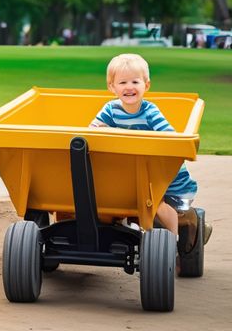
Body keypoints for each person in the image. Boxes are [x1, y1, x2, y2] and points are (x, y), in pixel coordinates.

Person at [89, 53, 211, 249]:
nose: (129, 87)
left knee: (158, 206)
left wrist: (118, 132)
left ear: (146, 85)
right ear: (112, 87)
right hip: (133, 173)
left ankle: (173, 244)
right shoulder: (110, 110)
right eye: (122, 82)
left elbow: (168, 136)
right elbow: (91, 131)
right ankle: (124, 236)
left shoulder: (150, 112)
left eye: (135, 81)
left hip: (163, 177)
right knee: (116, 200)